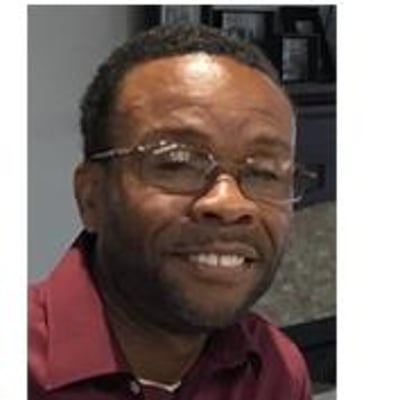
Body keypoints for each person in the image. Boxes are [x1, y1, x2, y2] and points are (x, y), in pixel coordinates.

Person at [29, 24, 312, 399]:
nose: (229, 204)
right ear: (91, 197)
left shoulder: (274, 371)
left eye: (264, 172)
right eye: (178, 163)